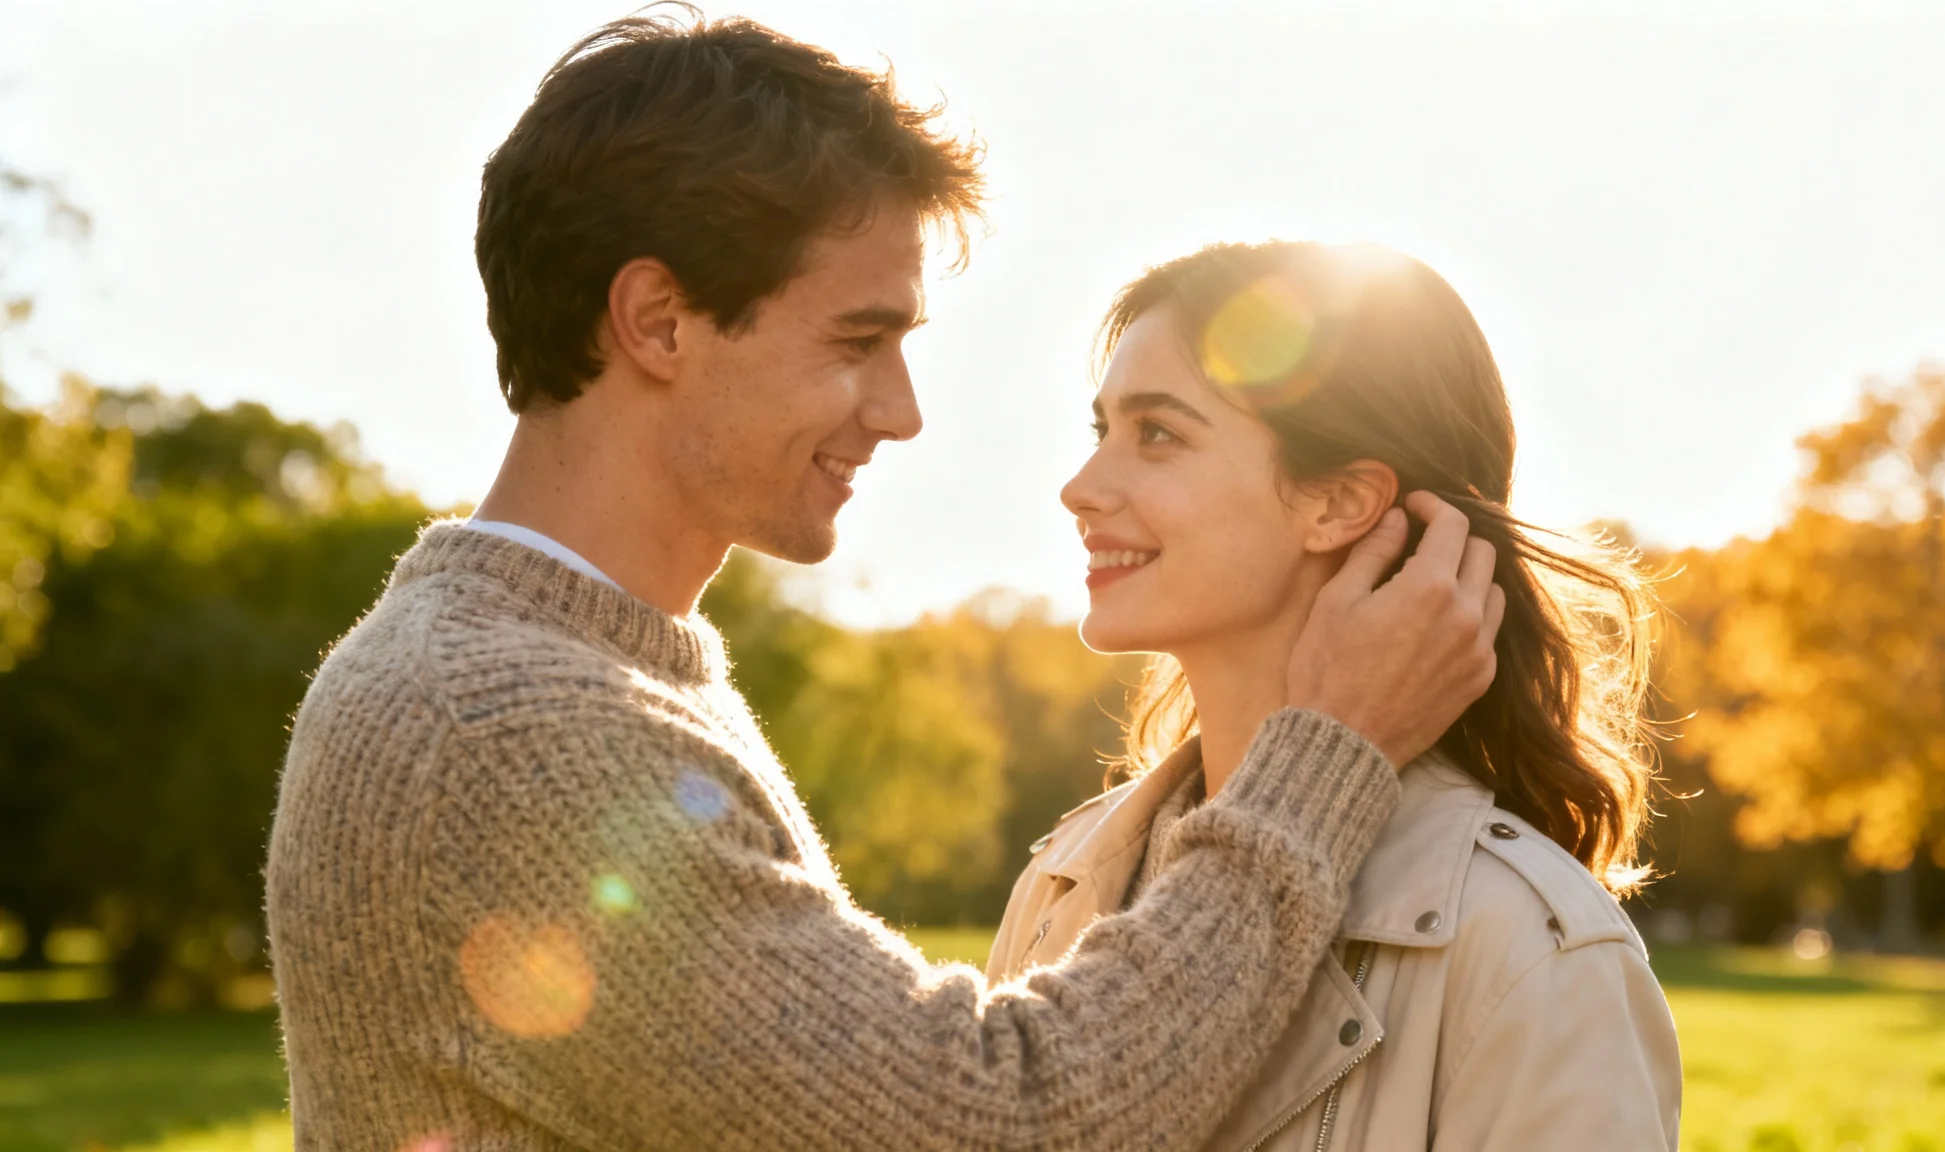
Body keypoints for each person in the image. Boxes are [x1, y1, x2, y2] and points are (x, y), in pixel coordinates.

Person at [262, 14, 1507, 1152]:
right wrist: (1323, 760)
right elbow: (1002, 1124)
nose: (901, 414)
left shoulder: (593, 677)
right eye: (857, 341)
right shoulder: (505, 726)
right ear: (655, 321)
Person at [989, 241, 1683, 1150]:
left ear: (1341, 503)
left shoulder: (1528, 948)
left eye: (1157, 433)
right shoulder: (1062, 877)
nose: (1081, 489)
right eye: (1102, 431)